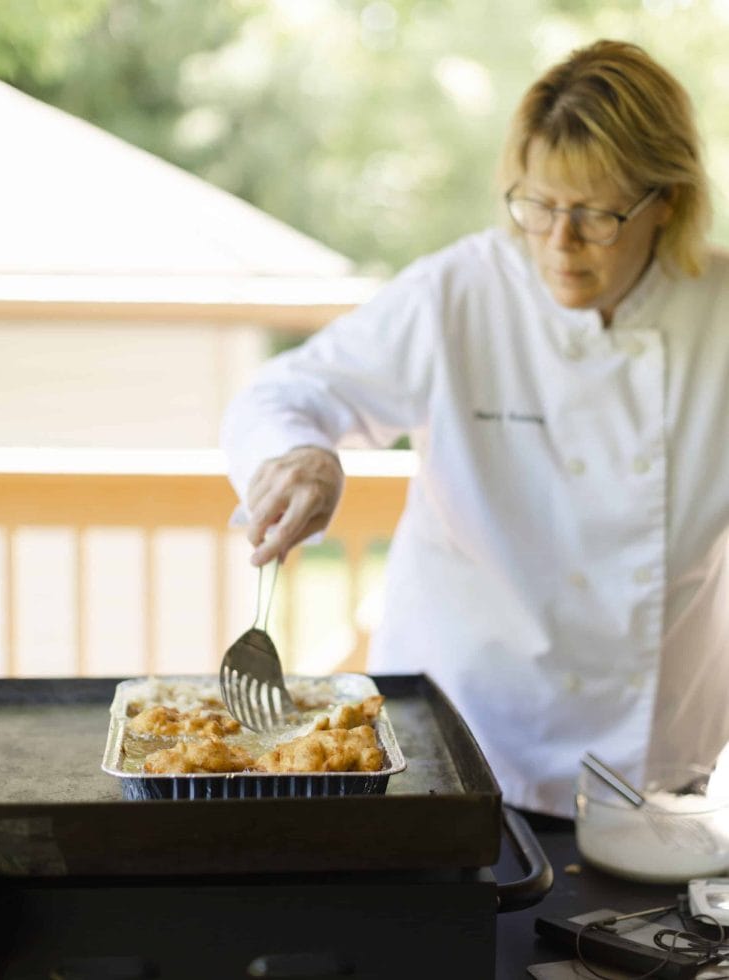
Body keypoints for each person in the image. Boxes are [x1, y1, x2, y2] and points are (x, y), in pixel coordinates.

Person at [220, 39, 729, 817]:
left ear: (665, 200)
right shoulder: (459, 292)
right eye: (536, 204)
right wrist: (302, 457)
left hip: (652, 780)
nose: (556, 243)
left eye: (595, 213)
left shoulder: (717, 313)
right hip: (455, 751)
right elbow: (284, 393)